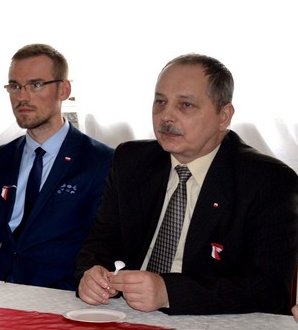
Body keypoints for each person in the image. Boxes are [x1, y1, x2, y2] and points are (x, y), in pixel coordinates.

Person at [76, 54, 298, 315]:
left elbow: (268, 289)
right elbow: (100, 244)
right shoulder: (131, 161)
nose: (166, 116)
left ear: (224, 116)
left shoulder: (268, 181)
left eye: (186, 105)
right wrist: (91, 274)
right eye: (160, 102)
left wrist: (168, 292)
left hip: (212, 325)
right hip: (127, 315)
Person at [0, 44, 113, 290]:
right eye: (15, 86)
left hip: (61, 296)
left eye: (36, 85)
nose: (22, 97)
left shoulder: (100, 161)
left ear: (64, 90)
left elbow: (100, 247)